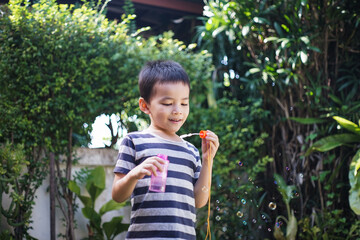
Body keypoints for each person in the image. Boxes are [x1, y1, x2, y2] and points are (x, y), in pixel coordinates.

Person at [112, 60, 219, 239]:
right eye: (168, 103)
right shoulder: (134, 141)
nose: (178, 111)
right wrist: (134, 174)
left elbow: (199, 201)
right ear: (145, 106)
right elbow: (117, 195)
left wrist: (208, 160)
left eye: (184, 104)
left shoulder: (191, 151)